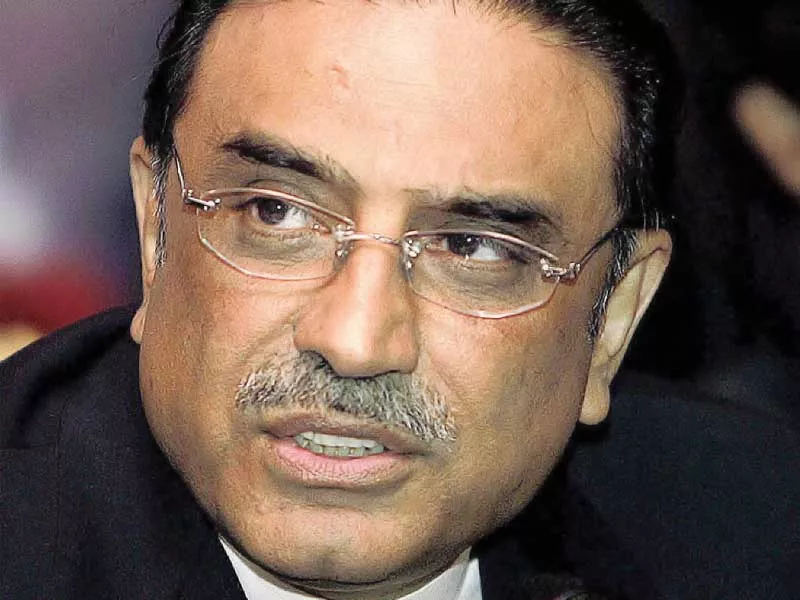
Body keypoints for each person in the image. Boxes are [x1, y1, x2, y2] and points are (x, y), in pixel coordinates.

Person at [1, 0, 680, 598]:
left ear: (614, 317)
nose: (355, 343)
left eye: (472, 248)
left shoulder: (728, 538)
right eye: (276, 213)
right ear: (156, 232)